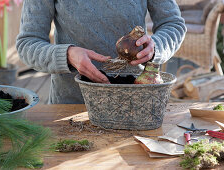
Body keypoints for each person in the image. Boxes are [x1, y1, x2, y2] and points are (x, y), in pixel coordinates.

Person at [16, 0, 186, 104]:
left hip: (137, 101)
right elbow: (28, 43)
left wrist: (155, 46)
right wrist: (67, 55)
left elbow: (173, 24)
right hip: (71, 106)